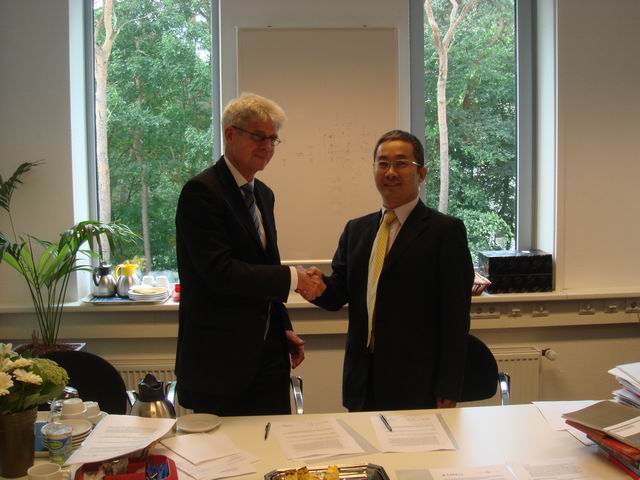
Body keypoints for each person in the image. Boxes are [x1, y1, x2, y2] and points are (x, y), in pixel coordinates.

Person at [175, 93, 324, 416]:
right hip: (220, 365)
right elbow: (220, 273)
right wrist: (295, 278)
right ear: (230, 134)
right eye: (259, 136)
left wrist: (282, 328)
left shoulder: (263, 195)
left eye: (273, 139)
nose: (267, 146)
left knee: (275, 443)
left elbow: (264, 265)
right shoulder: (202, 192)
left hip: (268, 357)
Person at [303, 130, 474, 412]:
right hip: (362, 380)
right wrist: (317, 286)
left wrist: (448, 386)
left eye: (401, 163)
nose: (391, 172)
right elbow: (338, 294)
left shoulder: (445, 231)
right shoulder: (356, 230)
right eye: (382, 163)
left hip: (418, 383)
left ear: (422, 173)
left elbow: (455, 317)